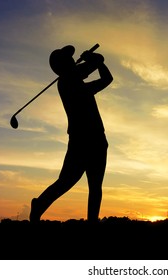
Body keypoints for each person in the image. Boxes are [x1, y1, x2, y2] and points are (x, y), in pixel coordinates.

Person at [29, 45, 113, 224]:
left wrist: (93, 59)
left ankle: (92, 223)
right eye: (68, 59)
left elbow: (98, 65)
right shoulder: (68, 83)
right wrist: (93, 59)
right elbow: (106, 76)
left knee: (94, 186)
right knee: (67, 181)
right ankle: (39, 205)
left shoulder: (71, 78)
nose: (72, 61)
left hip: (96, 138)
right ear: (63, 66)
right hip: (82, 140)